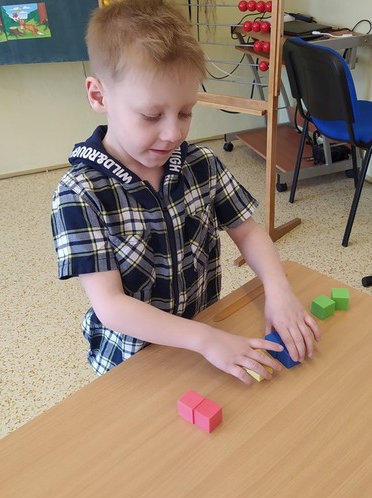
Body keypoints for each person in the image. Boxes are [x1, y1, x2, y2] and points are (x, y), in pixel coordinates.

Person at [51, 0, 320, 384]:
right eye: (151, 115)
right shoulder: (79, 194)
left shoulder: (201, 164)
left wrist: (278, 291)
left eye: (185, 112)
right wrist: (206, 340)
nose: (173, 133)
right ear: (98, 96)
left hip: (204, 334)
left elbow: (247, 232)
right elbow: (111, 306)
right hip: (134, 360)